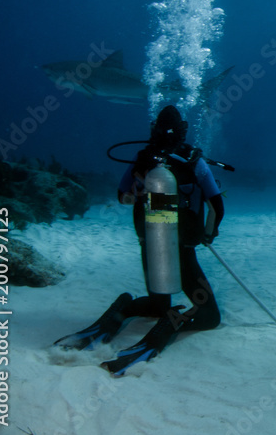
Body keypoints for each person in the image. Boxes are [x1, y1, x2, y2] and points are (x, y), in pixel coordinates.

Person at [54, 105, 225, 376]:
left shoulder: (143, 158)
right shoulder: (194, 160)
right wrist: (208, 233)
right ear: (183, 130)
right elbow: (217, 205)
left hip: (150, 241)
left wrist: (145, 190)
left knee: (158, 303)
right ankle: (169, 325)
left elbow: (123, 197)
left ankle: (121, 309)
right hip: (183, 247)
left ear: (153, 129)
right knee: (210, 316)